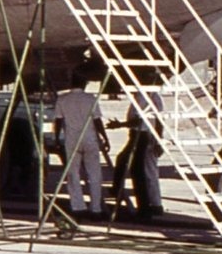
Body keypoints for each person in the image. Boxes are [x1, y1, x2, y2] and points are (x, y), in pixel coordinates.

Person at [54, 62, 107, 219]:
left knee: (73, 174)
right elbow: (97, 121)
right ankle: (96, 208)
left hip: (72, 139)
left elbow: (58, 121)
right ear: (84, 84)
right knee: (94, 174)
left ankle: (78, 206)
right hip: (89, 138)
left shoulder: (63, 99)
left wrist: (57, 138)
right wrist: (104, 137)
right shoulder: (90, 99)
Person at [111, 88, 164, 221]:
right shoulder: (153, 95)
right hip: (146, 134)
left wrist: (120, 125)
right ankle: (154, 204)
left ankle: (143, 207)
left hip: (141, 135)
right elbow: (158, 120)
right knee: (147, 170)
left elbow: (140, 121)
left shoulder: (142, 96)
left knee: (135, 169)